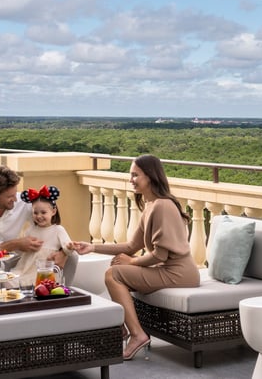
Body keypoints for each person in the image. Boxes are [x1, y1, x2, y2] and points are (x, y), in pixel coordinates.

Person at [68, 154, 199, 361]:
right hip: (167, 270)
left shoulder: (163, 206)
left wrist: (132, 262)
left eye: (135, 175)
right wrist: (92, 247)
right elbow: (131, 246)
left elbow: (159, 254)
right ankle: (122, 327)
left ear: (150, 177)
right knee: (117, 270)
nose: (131, 180)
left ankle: (136, 334)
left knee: (115, 274)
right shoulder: (150, 205)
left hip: (179, 273)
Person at [10, 185, 73, 287]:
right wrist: (18, 245)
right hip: (25, 268)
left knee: (39, 285)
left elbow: (67, 247)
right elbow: (21, 250)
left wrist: (69, 247)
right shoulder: (30, 230)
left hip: (44, 272)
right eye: (35, 213)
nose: (39, 216)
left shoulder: (58, 230)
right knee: (11, 282)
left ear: (53, 211)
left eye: (43, 212)